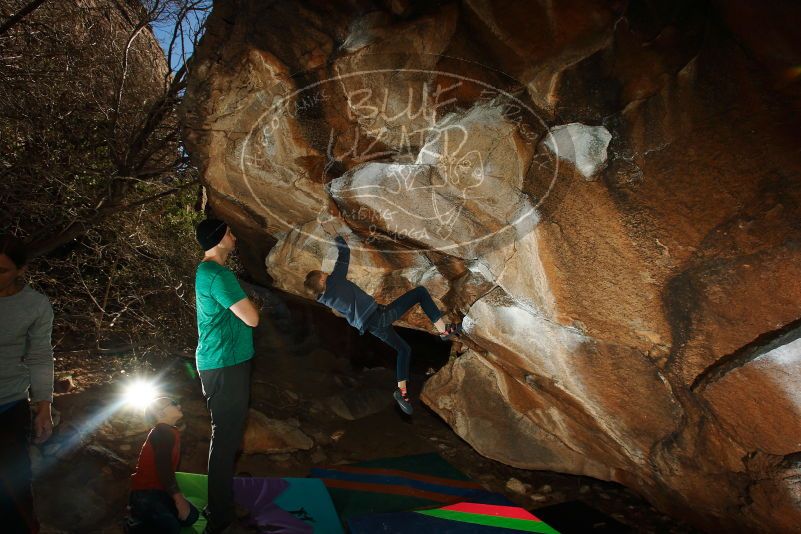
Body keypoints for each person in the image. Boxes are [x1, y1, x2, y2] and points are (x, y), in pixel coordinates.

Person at [304, 231, 461, 415]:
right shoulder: (335, 280)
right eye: (323, 273)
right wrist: (336, 236)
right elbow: (344, 252)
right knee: (420, 293)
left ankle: (402, 392)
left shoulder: (324, 298)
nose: (326, 273)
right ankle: (443, 331)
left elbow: (321, 285)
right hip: (377, 317)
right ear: (323, 279)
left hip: (371, 325)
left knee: (404, 349)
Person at [194, 218, 260, 534]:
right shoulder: (217, 274)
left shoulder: (208, 272)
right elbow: (252, 318)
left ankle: (221, 504)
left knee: (227, 438)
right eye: (230, 232)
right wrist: (252, 304)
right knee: (224, 441)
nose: (234, 236)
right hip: (224, 364)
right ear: (220, 239)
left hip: (224, 362)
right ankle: (220, 518)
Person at [0, 235, 54, 534]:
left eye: (2, 271)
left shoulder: (35, 305)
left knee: (15, 492)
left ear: (20, 270)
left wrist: (44, 406)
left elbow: (40, 356)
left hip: (9, 404)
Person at [128, 397, 199, 533]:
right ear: (160, 413)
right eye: (172, 403)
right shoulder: (162, 432)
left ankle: (144, 518)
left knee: (192, 517)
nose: (178, 404)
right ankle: (135, 523)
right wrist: (178, 499)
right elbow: (163, 467)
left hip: (160, 490)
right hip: (146, 492)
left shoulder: (169, 431)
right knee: (171, 528)